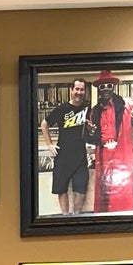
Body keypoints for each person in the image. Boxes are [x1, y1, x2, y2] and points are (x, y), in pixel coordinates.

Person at [40, 78, 95, 214]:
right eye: (76, 89)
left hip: (80, 158)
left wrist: (92, 131)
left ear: (85, 92)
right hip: (62, 157)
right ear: (71, 90)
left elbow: (92, 129)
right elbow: (44, 124)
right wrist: (49, 144)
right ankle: (65, 217)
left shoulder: (88, 109)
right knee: (61, 190)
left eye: (82, 89)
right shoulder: (62, 109)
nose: (79, 92)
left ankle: (76, 217)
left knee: (81, 192)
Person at [92, 72, 133, 212]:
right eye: (102, 86)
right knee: (104, 199)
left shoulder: (128, 105)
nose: (106, 88)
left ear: (114, 87)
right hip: (103, 159)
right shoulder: (95, 111)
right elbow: (92, 136)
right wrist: (90, 133)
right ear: (99, 89)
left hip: (123, 158)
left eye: (109, 85)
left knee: (123, 196)